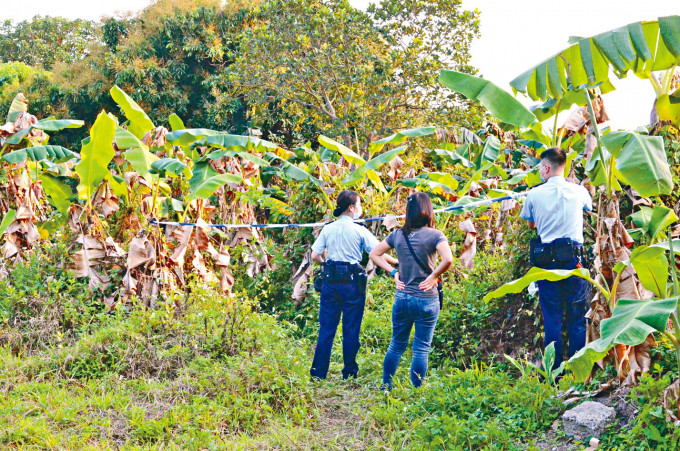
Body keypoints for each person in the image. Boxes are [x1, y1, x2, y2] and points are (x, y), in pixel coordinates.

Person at [310, 190, 398, 380]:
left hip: (331, 283)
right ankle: (349, 372)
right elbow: (378, 252)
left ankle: (318, 373)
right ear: (351, 207)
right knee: (351, 329)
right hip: (352, 284)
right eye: (359, 204)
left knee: (326, 329)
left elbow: (315, 256)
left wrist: (327, 264)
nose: (360, 208)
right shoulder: (359, 230)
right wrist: (396, 264)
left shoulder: (328, 228)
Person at [370, 192, 453, 389]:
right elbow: (448, 259)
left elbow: (375, 254)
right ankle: (416, 391)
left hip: (403, 297)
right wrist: (433, 277)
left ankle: (386, 385)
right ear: (428, 211)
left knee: (396, 344)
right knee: (421, 348)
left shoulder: (398, 234)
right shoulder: (436, 235)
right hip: (426, 298)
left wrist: (393, 273)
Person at [520, 147, 593, 369]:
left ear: (546, 167)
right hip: (574, 258)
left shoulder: (533, 194)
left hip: (546, 261)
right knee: (577, 316)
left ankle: (553, 372)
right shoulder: (579, 191)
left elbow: (531, 225)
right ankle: (578, 372)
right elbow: (589, 209)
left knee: (552, 317)